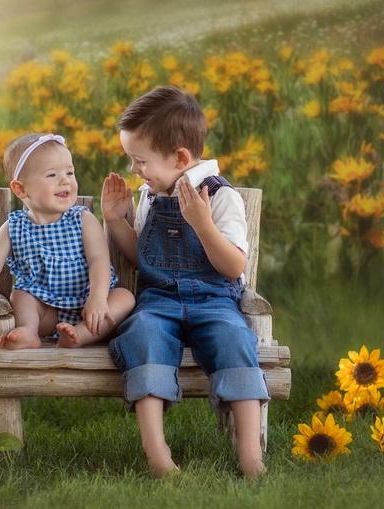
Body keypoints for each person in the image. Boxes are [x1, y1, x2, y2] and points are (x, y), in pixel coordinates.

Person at [102, 87, 270, 478]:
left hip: (214, 301)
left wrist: (201, 223)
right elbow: (142, 256)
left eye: (140, 160)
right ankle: (158, 454)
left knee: (235, 340)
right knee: (142, 334)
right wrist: (115, 221)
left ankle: (250, 455)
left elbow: (233, 266)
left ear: (180, 157)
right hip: (158, 301)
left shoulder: (221, 197)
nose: (134, 170)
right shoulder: (150, 195)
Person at [0, 133, 135, 349]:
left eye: (70, 172)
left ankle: (79, 335)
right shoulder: (14, 227)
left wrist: (97, 297)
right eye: (51, 175)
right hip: (46, 312)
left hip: (91, 305)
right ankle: (29, 331)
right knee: (20, 296)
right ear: (20, 189)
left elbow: (99, 260)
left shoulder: (82, 219)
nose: (65, 180)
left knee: (125, 298)